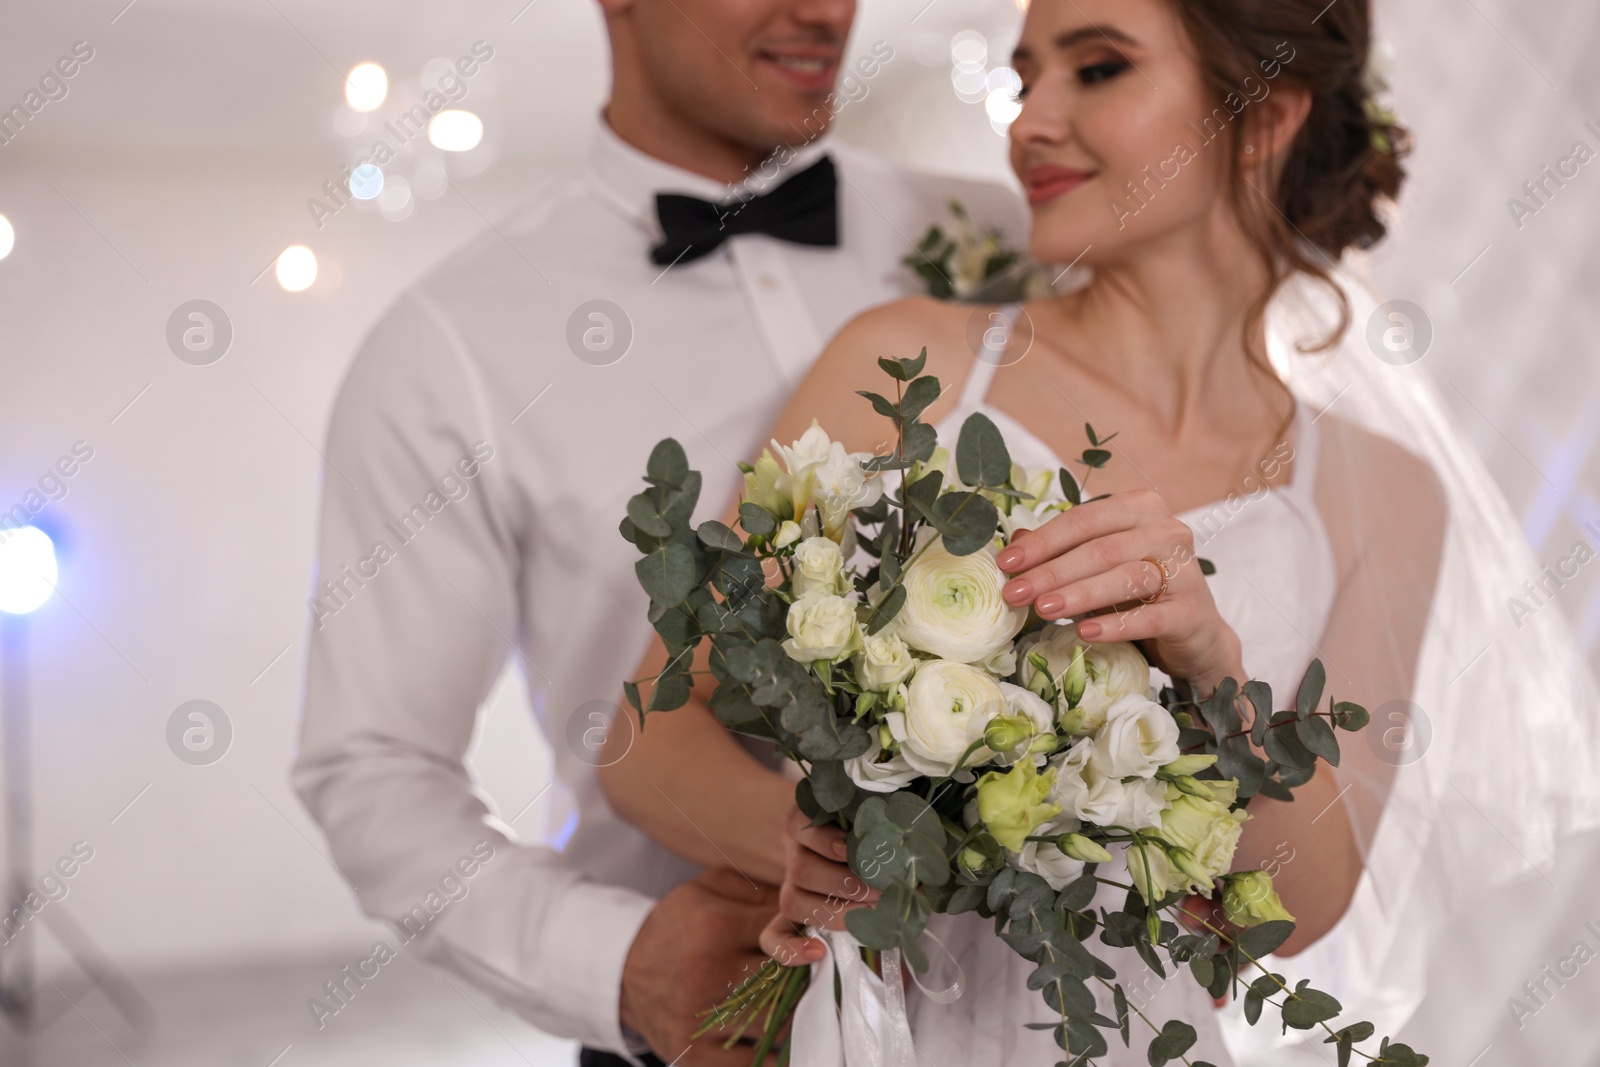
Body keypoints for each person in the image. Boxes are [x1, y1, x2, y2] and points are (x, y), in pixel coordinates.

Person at [599, 0, 1600, 1063]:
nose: (1029, 123)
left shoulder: (1385, 492)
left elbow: (1286, 911)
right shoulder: (903, 365)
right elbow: (640, 734)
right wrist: (816, 840)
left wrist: (1214, 671)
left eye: (1099, 69)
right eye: (1027, 77)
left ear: (1264, 118)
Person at [290, 1, 1026, 1066]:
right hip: (716, 1021)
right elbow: (372, 764)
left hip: (1019, 1009)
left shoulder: (998, 237)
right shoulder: (449, 344)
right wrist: (619, 960)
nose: (823, 10)